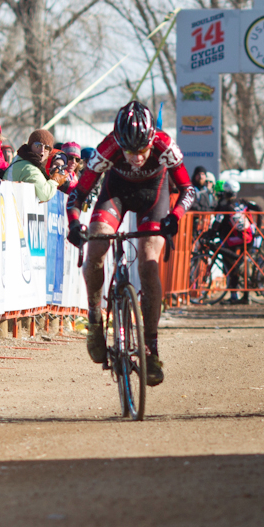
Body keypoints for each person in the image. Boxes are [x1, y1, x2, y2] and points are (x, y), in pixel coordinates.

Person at [66, 101, 196, 386]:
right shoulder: (108, 147)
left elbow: (188, 189)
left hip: (154, 195)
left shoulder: (165, 146)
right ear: (119, 144)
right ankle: (94, 320)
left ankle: (151, 348)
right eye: (130, 151)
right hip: (117, 192)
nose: (136, 158)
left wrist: (176, 215)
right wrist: (74, 223)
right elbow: (78, 194)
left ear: (152, 141)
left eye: (142, 151)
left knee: (149, 264)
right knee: (96, 248)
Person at [210, 179, 256, 304]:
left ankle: (235, 295)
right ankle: (245, 296)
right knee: (238, 266)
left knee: (231, 265)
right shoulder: (243, 202)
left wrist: (209, 234)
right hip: (248, 237)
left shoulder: (226, 206)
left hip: (233, 239)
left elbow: (217, 223)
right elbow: (259, 207)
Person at [8, 129, 69, 202]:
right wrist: (55, 181)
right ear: (30, 146)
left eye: (47, 147)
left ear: (49, 152)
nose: (42, 150)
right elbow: (46, 194)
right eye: (38, 145)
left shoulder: (22, 159)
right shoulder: (28, 167)